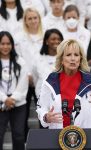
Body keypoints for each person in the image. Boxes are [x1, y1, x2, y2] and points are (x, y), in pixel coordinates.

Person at [36, 39, 91, 129]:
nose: (73, 58)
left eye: (76, 55)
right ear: (61, 59)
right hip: (58, 137)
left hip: (87, 137)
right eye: (68, 55)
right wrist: (46, 117)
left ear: (80, 59)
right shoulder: (50, 81)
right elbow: (41, 108)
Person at [15, 7, 44, 140]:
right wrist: (27, 74)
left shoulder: (45, 35)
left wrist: (38, 75)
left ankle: (44, 139)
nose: (33, 21)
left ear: (39, 19)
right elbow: (18, 57)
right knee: (23, 112)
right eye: (29, 18)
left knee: (43, 110)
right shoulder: (19, 38)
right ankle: (26, 140)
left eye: (35, 18)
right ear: (25, 21)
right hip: (24, 79)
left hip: (42, 80)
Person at [0, 31, 28, 150]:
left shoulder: (20, 61)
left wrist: (12, 98)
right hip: (1, 102)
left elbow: (23, 83)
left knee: (18, 135)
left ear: (12, 45)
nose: (5, 47)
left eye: (8, 43)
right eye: (2, 44)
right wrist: (4, 99)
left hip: (18, 103)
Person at [32, 29, 64, 99]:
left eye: (59, 39)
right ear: (46, 41)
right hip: (42, 98)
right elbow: (35, 78)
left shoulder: (65, 58)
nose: (56, 41)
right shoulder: (38, 58)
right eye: (53, 39)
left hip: (62, 97)